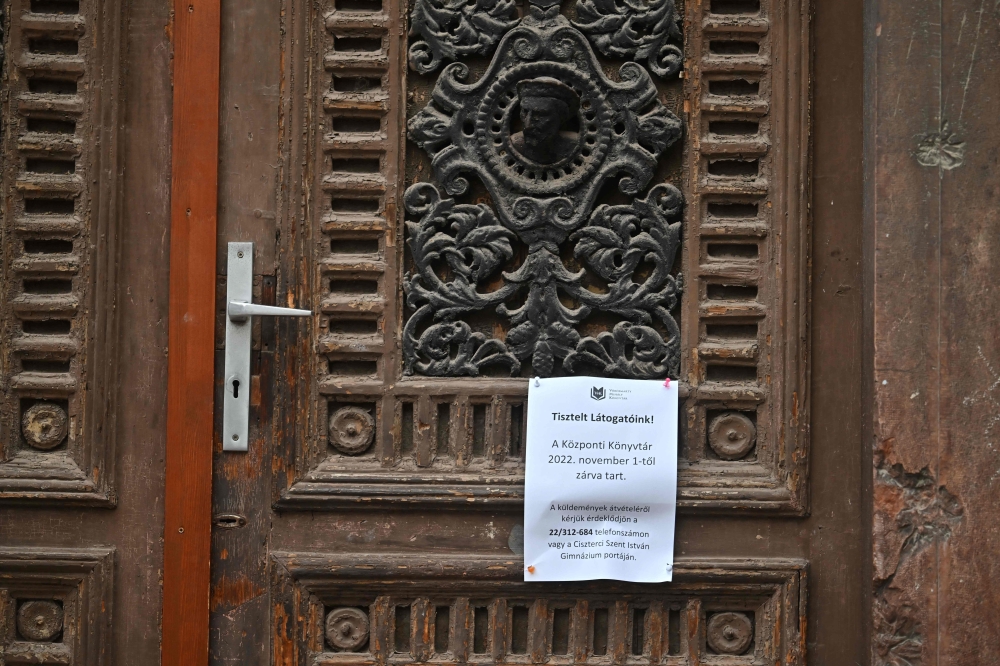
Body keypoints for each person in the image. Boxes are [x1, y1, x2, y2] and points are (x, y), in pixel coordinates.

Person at [510, 77, 579, 164]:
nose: (527, 126)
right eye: (525, 112)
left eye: (540, 115)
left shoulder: (575, 145)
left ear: (561, 117)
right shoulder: (514, 144)